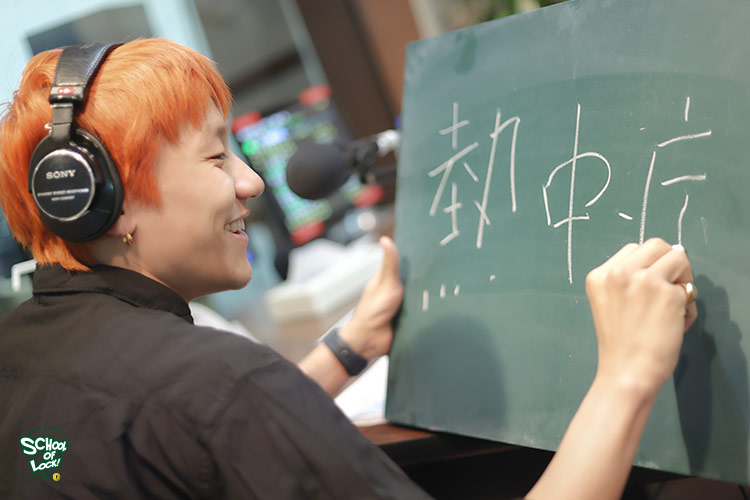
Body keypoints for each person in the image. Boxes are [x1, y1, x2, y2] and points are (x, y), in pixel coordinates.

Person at [0, 39, 697, 500]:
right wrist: (627, 375)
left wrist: (350, 346)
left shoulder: (23, 355)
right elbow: (220, 406)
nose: (251, 183)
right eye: (216, 158)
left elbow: (197, 435)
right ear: (99, 200)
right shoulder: (220, 381)